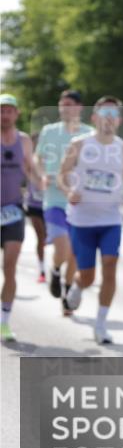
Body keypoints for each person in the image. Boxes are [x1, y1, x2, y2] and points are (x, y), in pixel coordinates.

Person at [59, 96, 123, 345]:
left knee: (110, 265)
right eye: (104, 113)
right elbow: (62, 174)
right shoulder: (79, 144)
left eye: (113, 114)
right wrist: (69, 192)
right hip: (82, 221)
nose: (109, 119)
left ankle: (101, 324)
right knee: (88, 276)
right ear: (95, 118)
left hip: (111, 219)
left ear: (119, 120)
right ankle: (77, 287)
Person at [35, 89, 92, 315]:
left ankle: (67, 295)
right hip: (54, 199)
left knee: (75, 255)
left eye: (69, 104)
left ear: (79, 107)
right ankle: (56, 270)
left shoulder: (90, 134)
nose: (64, 107)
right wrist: (40, 175)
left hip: (78, 202)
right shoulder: (49, 131)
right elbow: (37, 158)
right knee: (63, 245)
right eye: (61, 103)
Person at [1, 94, 42, 342]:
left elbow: (31, 168)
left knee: (10, 267)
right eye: (1, 110)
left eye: (9, 110)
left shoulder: (24, 140)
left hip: (13, 211)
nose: (4, 115)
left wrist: (42, 181)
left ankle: (4, 322)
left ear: (16, 114)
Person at [24, 139, 47, 284]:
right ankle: (42, 270)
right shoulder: (30, 161)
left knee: (49, 237)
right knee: (41, 237)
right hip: (34, 205)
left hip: (50, 206)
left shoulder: (54, 160)